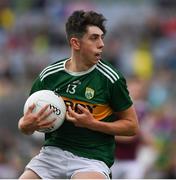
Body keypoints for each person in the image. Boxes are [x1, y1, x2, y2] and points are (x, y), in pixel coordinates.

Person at [18, 10, 139, 179]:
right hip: (51, 155)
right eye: (94, 38)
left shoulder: (111, 79)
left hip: (91, 160)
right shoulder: (49, 76)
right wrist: (27, 124)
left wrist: (93, 124)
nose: (102, 44)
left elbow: (132, 126)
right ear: (75, 43)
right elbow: (24, 125)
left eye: (102, 37)